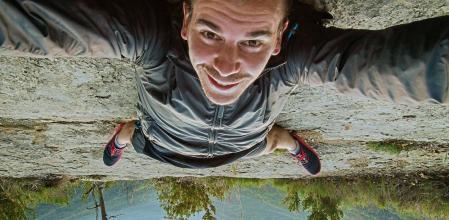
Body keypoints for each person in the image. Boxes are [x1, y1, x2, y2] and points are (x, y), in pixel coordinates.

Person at [1, 0, 448, 175]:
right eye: (210, 33)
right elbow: (35, 24)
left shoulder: (294, 57)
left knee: (133, 138)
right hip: (217, 144)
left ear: (279, 36)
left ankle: (124, 137)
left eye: (254, 41)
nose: (227, 67)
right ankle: (286, 144)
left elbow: (398, 66)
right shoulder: (153, 37)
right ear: (185, 20)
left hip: (189, 143)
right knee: (268, 142)